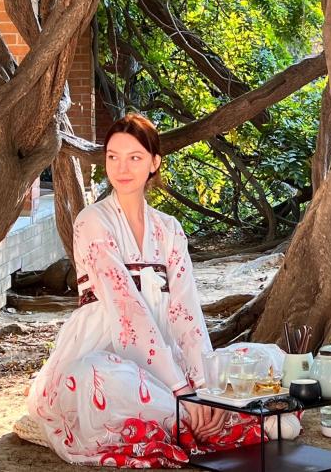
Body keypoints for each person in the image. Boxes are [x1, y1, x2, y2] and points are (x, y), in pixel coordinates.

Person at [25, 113, 289, 467]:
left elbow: (185, 311)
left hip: (167, 351)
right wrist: (181, 389)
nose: (122, 168)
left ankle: (196, 412)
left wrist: (204, 388)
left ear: (154, 163)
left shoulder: (169, 228)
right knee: (95, 377)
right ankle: (193, 414)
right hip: (107, 346)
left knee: (266, 359)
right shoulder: (92, 221)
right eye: (113, 157)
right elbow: (126, 308)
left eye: (134, 157)